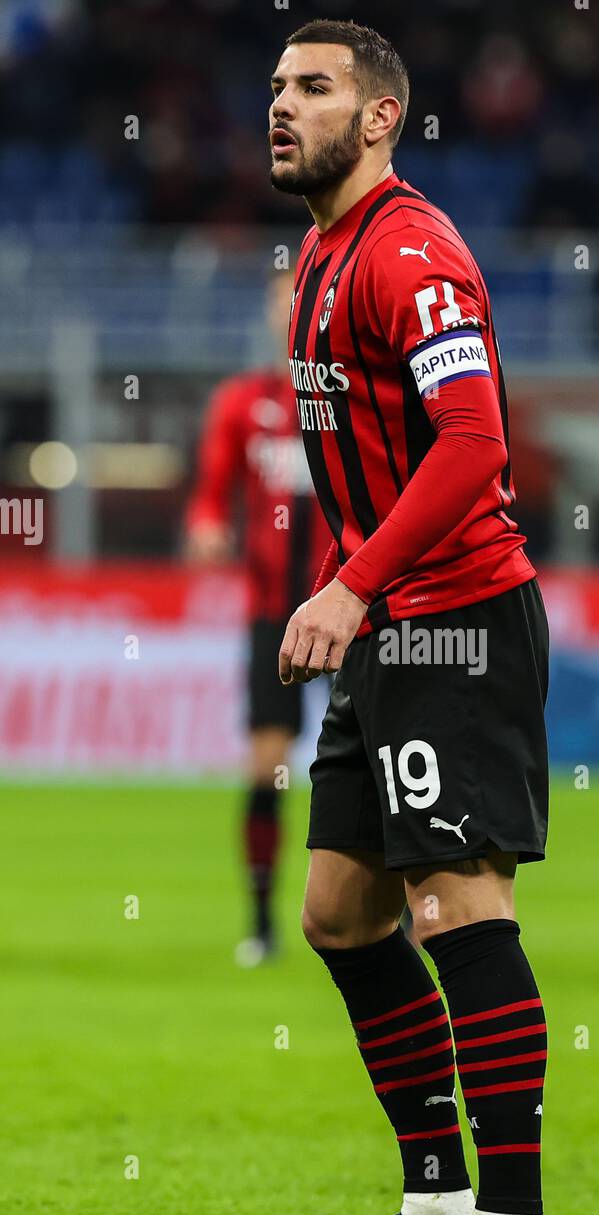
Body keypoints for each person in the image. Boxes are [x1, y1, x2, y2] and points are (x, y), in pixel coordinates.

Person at [270, 19, 553, 1215]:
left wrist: (353, 582)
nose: (281, 106)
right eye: (276, 87)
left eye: (312, 88)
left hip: (453, 619)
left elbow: (473, 445)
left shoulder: (411, 252)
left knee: (456, 904)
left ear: (379, 115)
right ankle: (434, 1203)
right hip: (387, 627)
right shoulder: (320, 257)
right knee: (339, 913)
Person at [186, 271, 331, 964]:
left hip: (358, 608)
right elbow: (209, 495)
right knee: (268, 766)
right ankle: (263, 921)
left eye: (303, 301)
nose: (292, 313)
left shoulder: (352, 400)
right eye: (283, 302)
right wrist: (208, 527)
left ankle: (391, 917)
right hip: (275, 615)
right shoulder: (242, 404)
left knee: (382, 763)